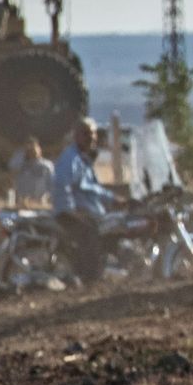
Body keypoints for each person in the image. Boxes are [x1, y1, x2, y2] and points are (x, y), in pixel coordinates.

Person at [51, 118, 115, 280]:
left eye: (93, 133)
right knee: (91, 233)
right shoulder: (70, 159)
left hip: (88, 212)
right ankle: (90, 280)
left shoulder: (83, 160)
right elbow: (62, 186)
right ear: (76, 135)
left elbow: (93, 189)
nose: (91, 137)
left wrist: (115, 199)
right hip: (70, 214)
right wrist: (72, 212)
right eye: (86, 133)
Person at [9, 139, 55, 206]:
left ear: (39, 150)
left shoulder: (47, 165)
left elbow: (52, 184)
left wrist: (47, 197)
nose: (32, 153)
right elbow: (14, 181)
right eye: (29, 150)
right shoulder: (21, 166)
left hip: (41, 203)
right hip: (23, 203)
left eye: (34, 150)